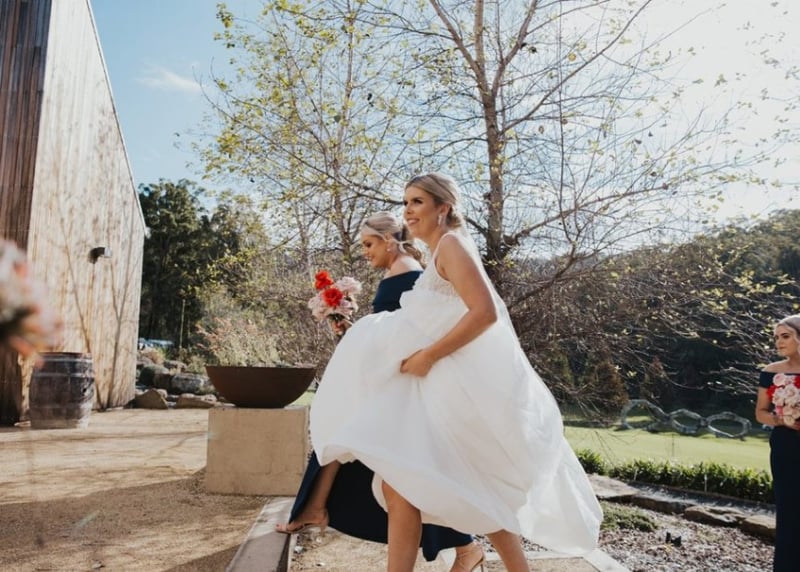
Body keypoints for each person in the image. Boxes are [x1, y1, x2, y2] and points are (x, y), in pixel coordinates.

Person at [311, 173, 602, 572]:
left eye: (417, 202)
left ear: (442, 207)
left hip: (451, 387)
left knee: (439, 488)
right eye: (405, 202)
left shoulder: (451, 245)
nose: (408, 211)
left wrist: (428, 357)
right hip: (434, 389)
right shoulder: (438, 252)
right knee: (408, 488)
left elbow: (485, 313)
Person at [276, 212, 482, 570]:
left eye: (369, 244)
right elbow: (391, 329)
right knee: (385, 463)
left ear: (389, 240)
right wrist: (351, 329)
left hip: (404, 387)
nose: (366, 252)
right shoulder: (400, 270)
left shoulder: (409, 272)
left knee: (412, 473)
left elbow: (415, 328)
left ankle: (467, 546)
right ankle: (315, 507)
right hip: (390, 380)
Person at [755, 314, 800, 572]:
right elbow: (761, 413)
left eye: (785, 336)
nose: (779, 342)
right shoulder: (770, 372)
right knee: (789, 512)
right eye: (776, 337)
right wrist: (783, 419)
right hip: (786, 449)